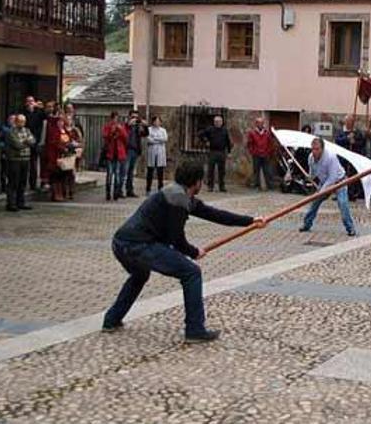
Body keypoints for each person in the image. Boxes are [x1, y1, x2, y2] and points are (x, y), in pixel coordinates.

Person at [103, 160, 266, 341]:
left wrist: (251, 221)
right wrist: (193, 252)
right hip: (138, 245)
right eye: (201, 181)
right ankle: (195, 329)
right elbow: (176, 238)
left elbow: (213, 214)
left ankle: (111, 319)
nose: (201, 184)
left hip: (121, 242)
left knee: (140, 275)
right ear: (196, 182)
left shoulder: (180, 194)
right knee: (191, 272)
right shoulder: (178, 198)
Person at [298, 137, 357, 236]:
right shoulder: (311, 158)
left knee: (343, 204)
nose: (314, 151)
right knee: (315, 202)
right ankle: (307, 224)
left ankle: (350, 228)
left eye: (317, 149)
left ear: (322, 148)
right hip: (324, 182)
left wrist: (322, 190)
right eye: (313, 149)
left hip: (339, 181)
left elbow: (332, 177)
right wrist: (310, 177)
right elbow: (313, 172)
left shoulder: (330, 157)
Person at [5, 114, 36, 212]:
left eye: (24, 121)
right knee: (13, 182)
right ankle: (11, 203)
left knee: (22, 182)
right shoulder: (11, 132)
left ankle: (21, 202)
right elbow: (16, 145)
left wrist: (25, 142)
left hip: (25, 159)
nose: (22, 123)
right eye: (20, 121)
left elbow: (33, 141)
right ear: (16, 121)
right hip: (15, 160)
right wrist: (26, 142)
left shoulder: (27, 130)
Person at [198, 115, 231, 192]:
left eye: (219, 121)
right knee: (211, 170)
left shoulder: (224, 130)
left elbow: (228, 141)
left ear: (222, 122)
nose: (218, 123)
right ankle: (210, 186)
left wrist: (229, 152)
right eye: (216, 122)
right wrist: (205, 141)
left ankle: (221, 186)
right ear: (214, 122)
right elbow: (200, 134)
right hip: (213, 151)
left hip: (222, 152)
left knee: (222, 171)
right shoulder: (210, 129)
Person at [336, 115, 365, 201]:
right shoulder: (340, 131)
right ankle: (340, 193)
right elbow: (337, 141)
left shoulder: (357, 132)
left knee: (352, 176)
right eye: (348, 122)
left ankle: (351, 193)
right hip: (343, 158)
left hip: (353, 157)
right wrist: (347, 139)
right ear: (345, 122)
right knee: (342, 175)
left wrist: (354, 142)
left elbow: (362, 143)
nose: (349, 123)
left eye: (351, 122)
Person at [21, 96, 46, 190]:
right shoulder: (23, 113)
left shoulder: (38, 112)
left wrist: (40, 107)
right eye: (28, 101)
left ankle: (33, 184)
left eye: (32, 101)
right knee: (24, 164)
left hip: (36, 141)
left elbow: (46, 117)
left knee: (34, 164)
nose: (30, 103)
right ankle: (23, 184)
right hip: (25, 141)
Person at [102, 112, 128, 201]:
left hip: (118, 154)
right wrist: (112, 131)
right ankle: (108, 193)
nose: (115, 120)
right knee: (109, 174)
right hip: (110, 153)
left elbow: (125, 138)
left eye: (117, 118)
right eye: (114, 118)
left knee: (117, 174)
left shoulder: (121, 127)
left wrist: (120, 130)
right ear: (111, 118)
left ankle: (116, 193)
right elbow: (105, 137)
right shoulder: (107, 126)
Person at [123, 110, 149, 198]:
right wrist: (129, 125)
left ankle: (129, 190)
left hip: (135, 150)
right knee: (125, 171)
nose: (135, 119)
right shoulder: (126, 126)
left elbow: (145, 134)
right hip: (127, 150)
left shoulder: (138, 127)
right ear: (129, 117)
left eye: (136, 117)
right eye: (133, 117)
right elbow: (123, 134)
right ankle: (120, 190)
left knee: (131, 172)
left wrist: (145, 126)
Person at [246, 117, 273, 190]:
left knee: (267, 170)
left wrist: (268, 152)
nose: (261, 124)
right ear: (256, 124)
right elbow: (250, 144)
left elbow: (270, 143)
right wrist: (253, 152)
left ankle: (269, 185)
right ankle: (256, 185)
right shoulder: (252, 133)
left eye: (262, 123)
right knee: (256, 171)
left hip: (265, 154)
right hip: (256, 155)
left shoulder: (267, 133)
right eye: (259, 123)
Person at [146, 116, 168, 194]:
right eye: (156, 121)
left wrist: (155, 138)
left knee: (160, 172)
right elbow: (149, 140)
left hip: (160, 152)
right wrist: (159, 139)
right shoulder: (149, 129)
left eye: (159, 121)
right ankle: (148, 188)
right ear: (153, 122)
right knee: (150, 171)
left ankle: (160, 188)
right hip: (152, 152)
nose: (157, 123)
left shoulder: (163, 130)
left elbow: (165, 139)